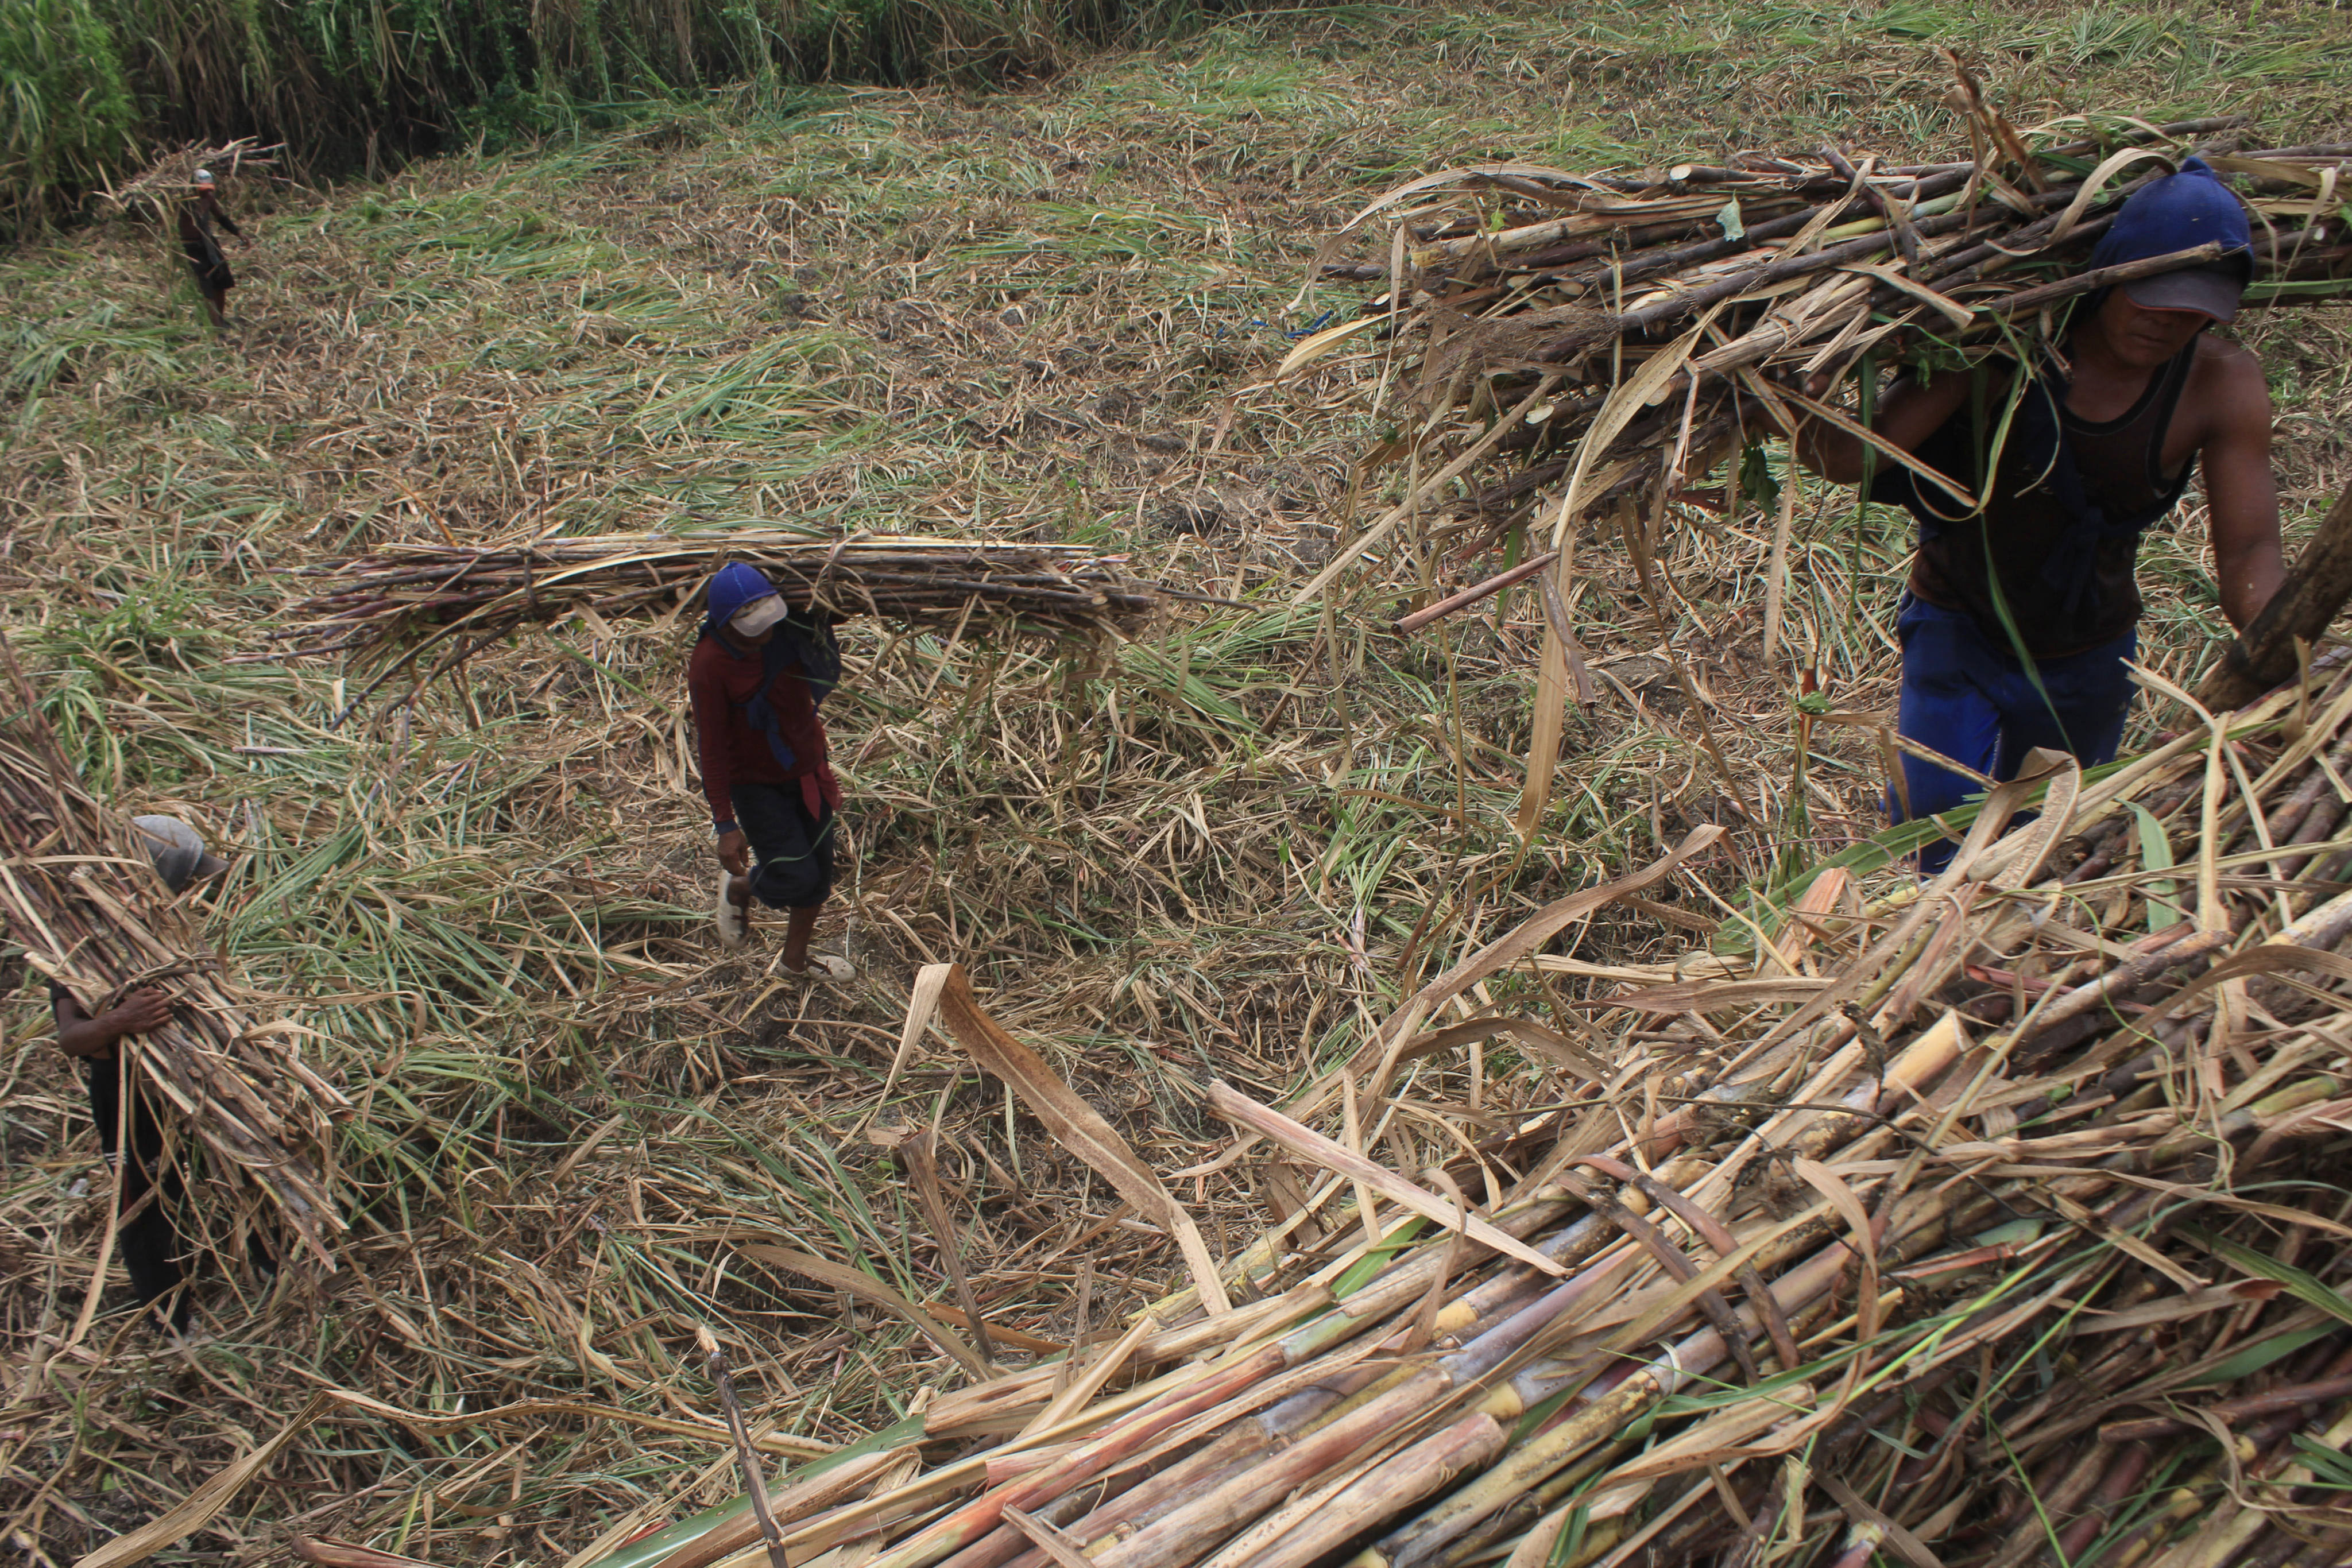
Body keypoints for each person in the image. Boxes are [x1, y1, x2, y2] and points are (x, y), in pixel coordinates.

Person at [1796, 158, 2285, 872]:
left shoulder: (2220, 384)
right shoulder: (2004, 348)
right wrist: (1773, 391)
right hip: (1956, 629)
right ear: (2107, 274)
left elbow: (2248, 555)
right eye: (2152, 298)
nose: (2168, 324)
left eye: (2194, 311)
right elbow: (1852, 459)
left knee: (2044, 847)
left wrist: (2291, 651)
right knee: (1934, 831)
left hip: (2087, 652)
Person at [49, 816, 230, 1337]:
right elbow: (69, 1038)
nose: (195, 887)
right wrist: (120, 1021)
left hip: (192, 1073)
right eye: (186, 875)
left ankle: (262, 1267)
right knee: (144, 1197)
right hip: (127, 1092)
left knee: (230, 1168)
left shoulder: (165, 926)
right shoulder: (80, 942)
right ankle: (170, 1321)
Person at [687, 563, 852, 975]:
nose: (766, 631)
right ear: (725, 624)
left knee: (819, 878)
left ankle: (793, 964)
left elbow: (839, 610)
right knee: (795, 877)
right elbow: (710, 745)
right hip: (756, 783)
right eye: (754, 625)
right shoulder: (710, 663)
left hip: (807, 767)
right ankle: (742, 886)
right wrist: (725, 823)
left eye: (770, 619)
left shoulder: (788, 626)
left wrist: (843, 586)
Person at [176, 170, 244, 332]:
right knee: (206, 287)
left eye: (209, 188)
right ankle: (216, 328)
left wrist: (238, 233)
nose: (207, 192)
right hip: (192, 248)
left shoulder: (209, 200)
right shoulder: (184, 203)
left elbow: (221, 217)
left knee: (221, 281)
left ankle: (220, 319)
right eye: (202, 189)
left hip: (209, 244)